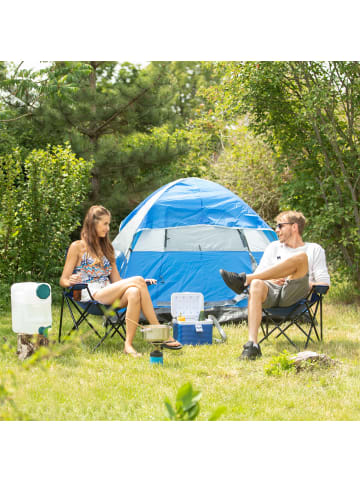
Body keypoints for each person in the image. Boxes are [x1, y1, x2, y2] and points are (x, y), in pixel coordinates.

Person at [60, 205, 182, 357]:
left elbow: (117, 281)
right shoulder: (77, 247)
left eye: (108, 224)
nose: (108, 227)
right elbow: (63, 280)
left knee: (134, 291)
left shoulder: (107, 248)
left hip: (107, 292)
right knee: (137, 281)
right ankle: (158, 330)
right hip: (90, 295)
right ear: (93, 223)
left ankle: (128, 345)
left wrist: (140, 283)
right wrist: (69, 281)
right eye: (104, 223)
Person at [220, 210, 330, 360]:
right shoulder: (273, 247)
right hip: (272, 292)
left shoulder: (313, 249)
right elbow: (261, 274)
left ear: (294, 227)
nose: (276, 230)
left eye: (280, 226)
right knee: (257, 282)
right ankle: (252, 344)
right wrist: (273, 279)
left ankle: (244, 279)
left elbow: (324, 284)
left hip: (296, 294)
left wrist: (307, 282)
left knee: (300, 258)